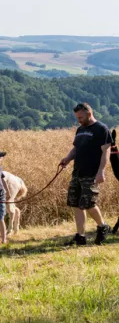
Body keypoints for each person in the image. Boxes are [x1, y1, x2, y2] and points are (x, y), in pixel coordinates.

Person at [59, 102, 112, 246]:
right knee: (75, 204)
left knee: (88, 203)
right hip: (77, 172)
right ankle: (80, 236)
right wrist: (67, 159)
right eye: (77, 117)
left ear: (89, 113)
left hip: (92, 173)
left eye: (81, 117)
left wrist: (101, 171)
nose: (79, 120)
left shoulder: (101, 129)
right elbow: (76, 149)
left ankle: (103, 226)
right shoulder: (80, 130)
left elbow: (105, 151)